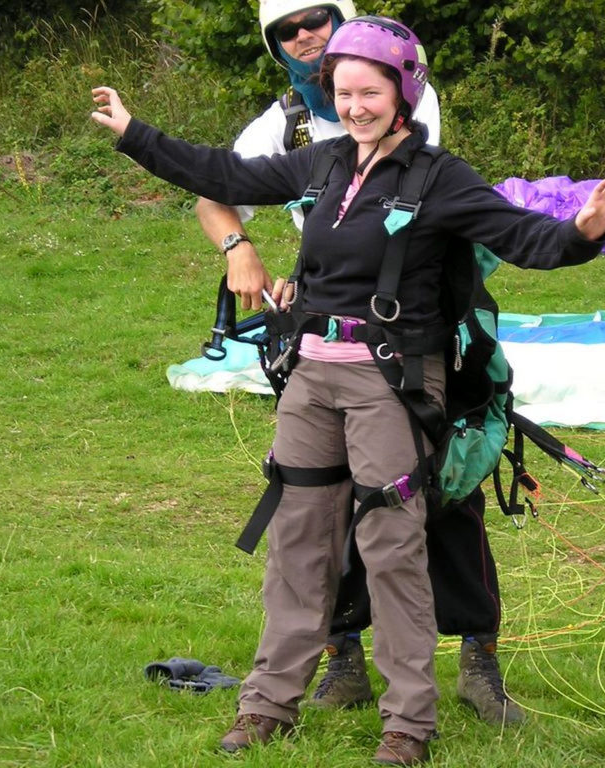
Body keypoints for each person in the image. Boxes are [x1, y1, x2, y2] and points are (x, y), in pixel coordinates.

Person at [91, 15, 605, 764]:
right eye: (343, 93)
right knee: (299, 543)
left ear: (402, 93)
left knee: (390, 546)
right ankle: (268, 704)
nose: (354, 106)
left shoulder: (440, 178)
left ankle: (408, 722)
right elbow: (222, 175)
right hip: (310, 378)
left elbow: (520, 238)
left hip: (392, 383)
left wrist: (583, 233)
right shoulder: (321, 164)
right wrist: (133, 132)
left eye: (369, 93)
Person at [196, 1, 523, 727]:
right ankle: (341, 655)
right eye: (287, 30)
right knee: (318, 502)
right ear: (274, 46)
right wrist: (240, 250)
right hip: (324, 338)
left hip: (424, 327)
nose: (305, 36)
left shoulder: (392, 88)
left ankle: (478, 657)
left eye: (317, 19)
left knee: (442, 487)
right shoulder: (279, 127)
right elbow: (216, 192)